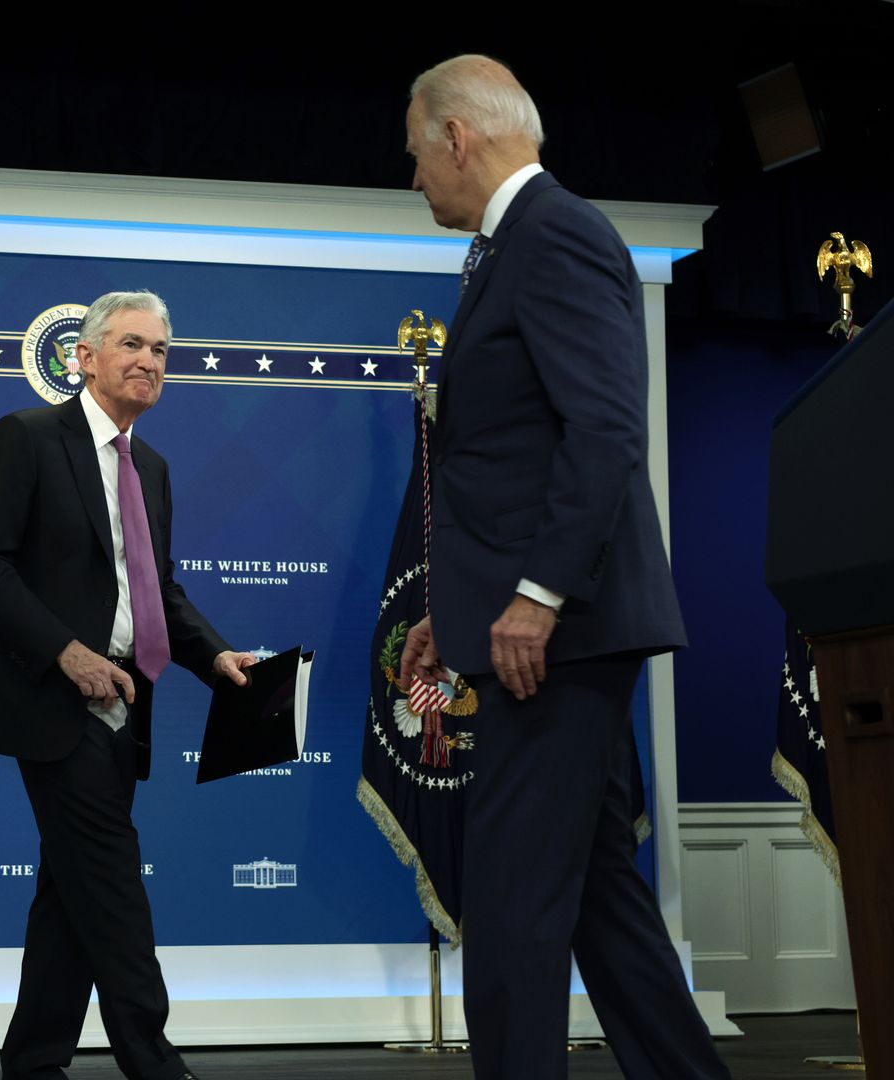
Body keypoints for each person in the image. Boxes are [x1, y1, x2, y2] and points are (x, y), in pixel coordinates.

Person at [395, 55, 729, 1080]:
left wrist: (537, 594)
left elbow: (603, 429)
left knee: (511, 906)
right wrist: (453, 607)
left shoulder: (556, 233)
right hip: (547, 626)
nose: (415, 180)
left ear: (458, 137)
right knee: (593, 898)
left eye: (416, 155)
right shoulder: (514, 247)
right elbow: (512, 458)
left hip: (561, 634)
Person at [0, 290, 258, 1080]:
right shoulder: (25, 439)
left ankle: (33, 1060)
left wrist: (215, 656)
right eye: (131, 345)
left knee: (71, 889)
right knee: (113, 881)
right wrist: (67, 652)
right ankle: (155, 1064)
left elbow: (158, 590)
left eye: (161, 350)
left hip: (127, 707)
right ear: (83, 357)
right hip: (52, 700)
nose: (149, 361)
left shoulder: (148, 466)